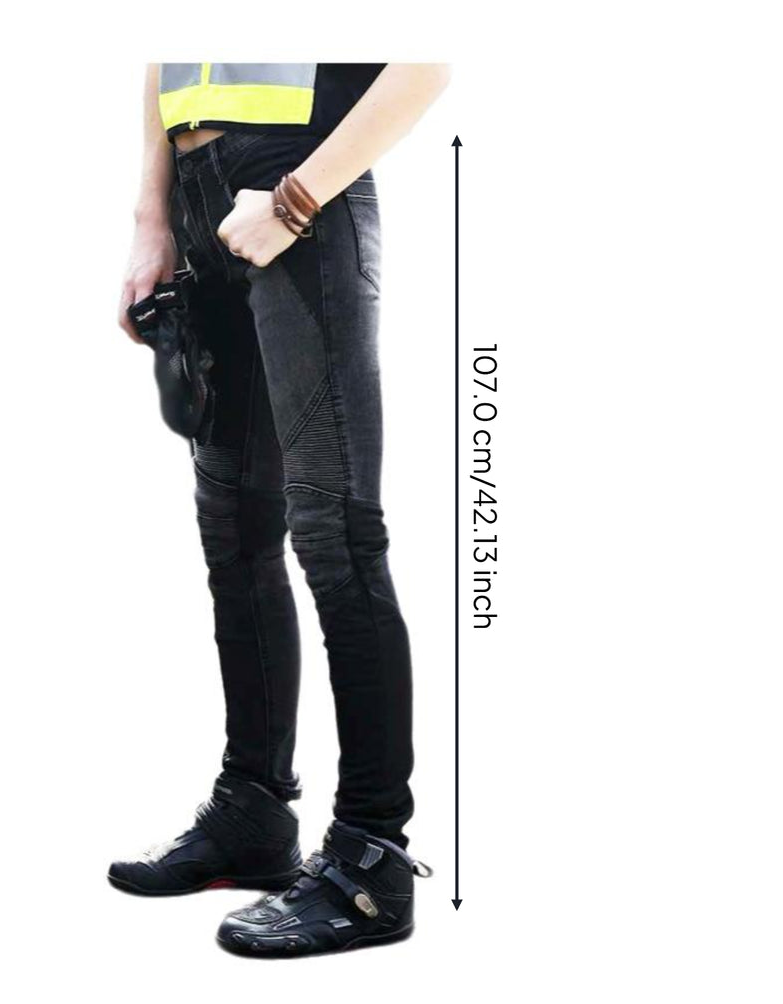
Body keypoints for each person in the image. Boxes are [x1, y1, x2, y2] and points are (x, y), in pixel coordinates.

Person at [110, 63, 450, 957]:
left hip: (300, 185)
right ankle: (253, 811)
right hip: (202, 205)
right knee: (233, 534)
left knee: (337, 534)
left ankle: (371, 858)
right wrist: (154, 216)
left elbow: (427, 58)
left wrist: (297, 199)